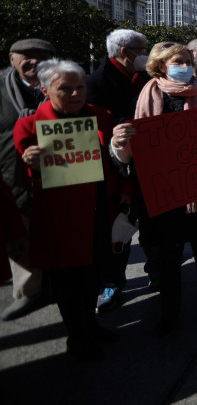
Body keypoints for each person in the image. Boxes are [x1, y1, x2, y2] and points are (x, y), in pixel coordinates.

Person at [14, 59, 129, 360]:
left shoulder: (101, 116)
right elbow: (20, 181)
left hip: (98, 210)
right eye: (65, 89)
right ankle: (77, 336)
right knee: (67, 281)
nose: (76, 94)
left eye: (80, 87)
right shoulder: (28, 126)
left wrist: (120, 146)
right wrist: (31, 166)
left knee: (94, 275)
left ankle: (91, 325)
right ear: (44, 89)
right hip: (59, 219)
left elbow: (116, 164)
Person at [114, 42, 197, 336]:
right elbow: (128, 149)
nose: (186, 65)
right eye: (179, 60)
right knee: (167, 261)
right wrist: (118, 141)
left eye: (189, 60)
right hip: (164, 194)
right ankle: (169, 314)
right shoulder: (145, 96)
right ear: (162, 66)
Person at [85, 29, 150, 312]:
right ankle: (110, 285)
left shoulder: (144, 79)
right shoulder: (94, 83)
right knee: (117, 233)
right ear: (126, 52)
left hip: (150, 164)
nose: (145, 54)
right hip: (116, 170)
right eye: (142, 48)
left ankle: (157, 272)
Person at [1, 38, 55, 321]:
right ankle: (28, 294)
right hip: (12, 175)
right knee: (20, 239)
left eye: (41, 56)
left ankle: (58, 289)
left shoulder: (65, 83)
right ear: (12, 59)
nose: (34, 61)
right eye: (26, 56)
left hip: (59, 176)